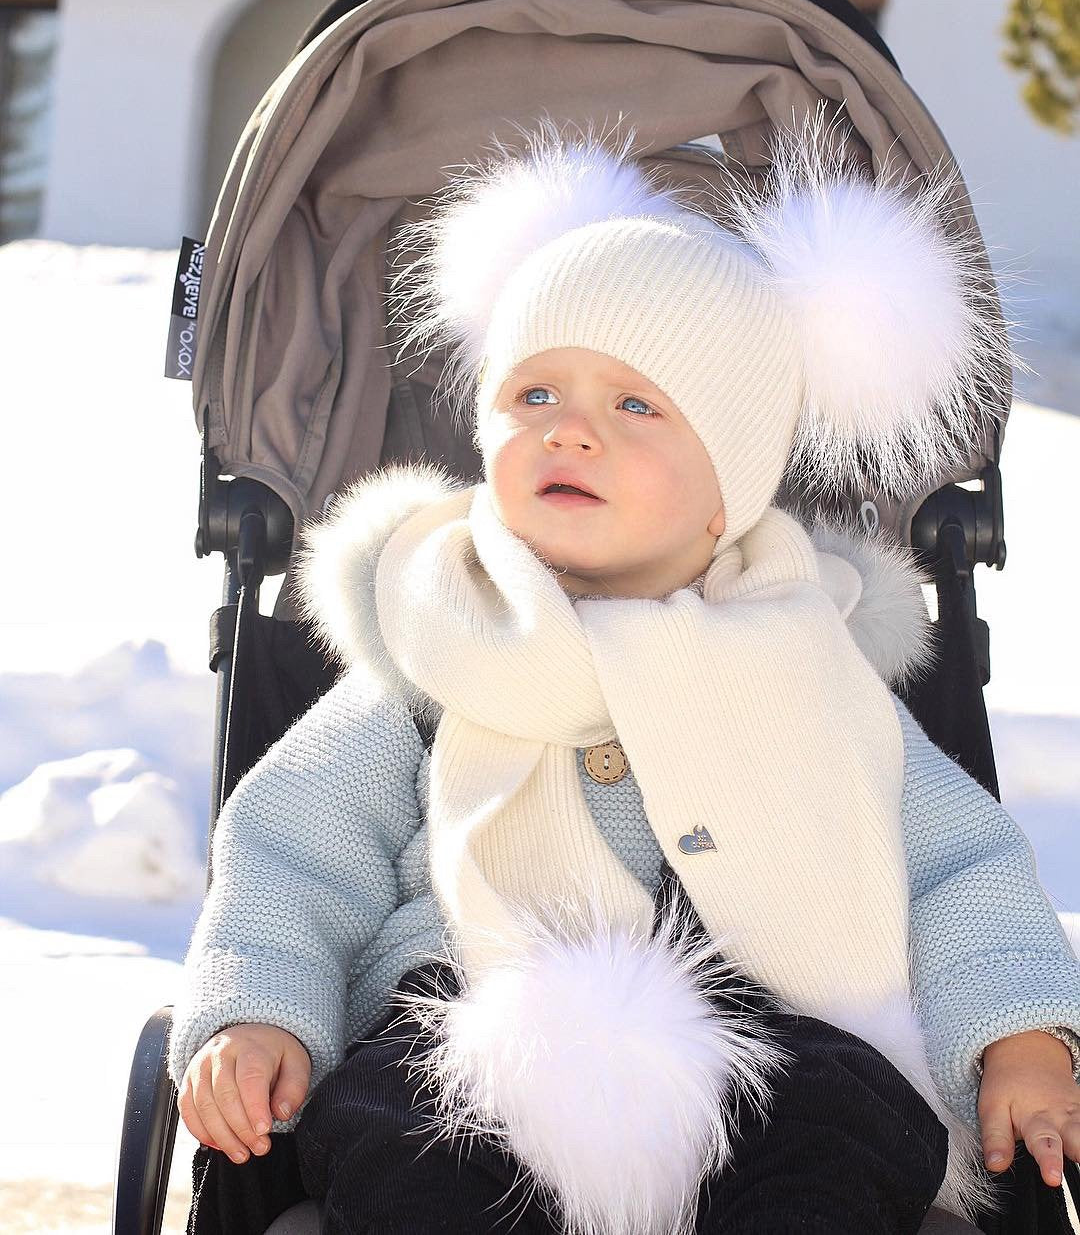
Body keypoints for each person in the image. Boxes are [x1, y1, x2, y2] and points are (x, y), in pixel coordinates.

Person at [167, 118, 1080, 1235]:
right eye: (534, 396)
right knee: (395, 1129)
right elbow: (292, 854)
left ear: (730, 483)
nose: (571, 433)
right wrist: (257, 1011)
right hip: (468, 1021)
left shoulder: (810, 660)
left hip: (772, 1024)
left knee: (850, 1122)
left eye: (635, 405)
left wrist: (1019, 1029)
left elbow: (957, 864)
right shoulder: (438, 634)